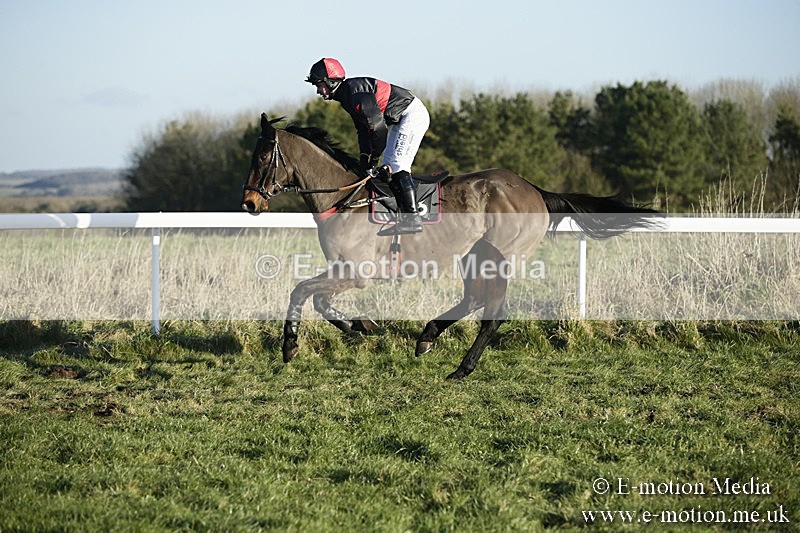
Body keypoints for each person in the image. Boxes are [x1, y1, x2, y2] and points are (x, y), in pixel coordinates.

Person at [305, 58, 430, 234]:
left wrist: (374, 160)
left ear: (331, 81)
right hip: (400, 118)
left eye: (319, 85)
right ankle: (401, 213)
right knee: (390, 165)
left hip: (411, 115)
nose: (318, 91)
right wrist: (365, 160)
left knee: (397, 164)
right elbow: (363, 131)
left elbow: (377, 129)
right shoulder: (347, 96)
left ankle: (412, 218)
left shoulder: (354, 94)